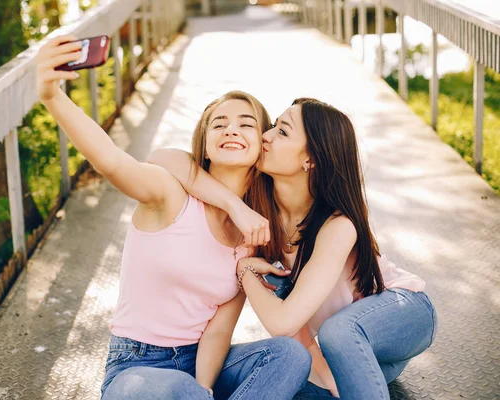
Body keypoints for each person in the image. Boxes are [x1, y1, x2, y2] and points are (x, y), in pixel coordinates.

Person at [36, 36, 312, 400]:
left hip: (199, 364)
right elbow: (112, 160)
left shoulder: (252, 233)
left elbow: (217, 332)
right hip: (136, 370)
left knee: (288, 355)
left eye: (246, 124)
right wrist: (53, 97)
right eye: (219, 124)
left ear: (261, 145)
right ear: (205, 142)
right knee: (180, 390)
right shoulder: (169, 194)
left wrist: (205, 389)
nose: (231, 129)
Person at [149, 97, 438, 399]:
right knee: (300, 381)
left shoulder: (338, 224)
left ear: (310, 159)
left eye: (282, 132)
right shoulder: (258, 216)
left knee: (338, 333)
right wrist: (234, 205)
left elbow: (282, 321)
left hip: (402, 314)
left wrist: (245, 270)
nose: (265, 136)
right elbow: (163, 157)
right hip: (350, 350)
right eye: (273, 126)